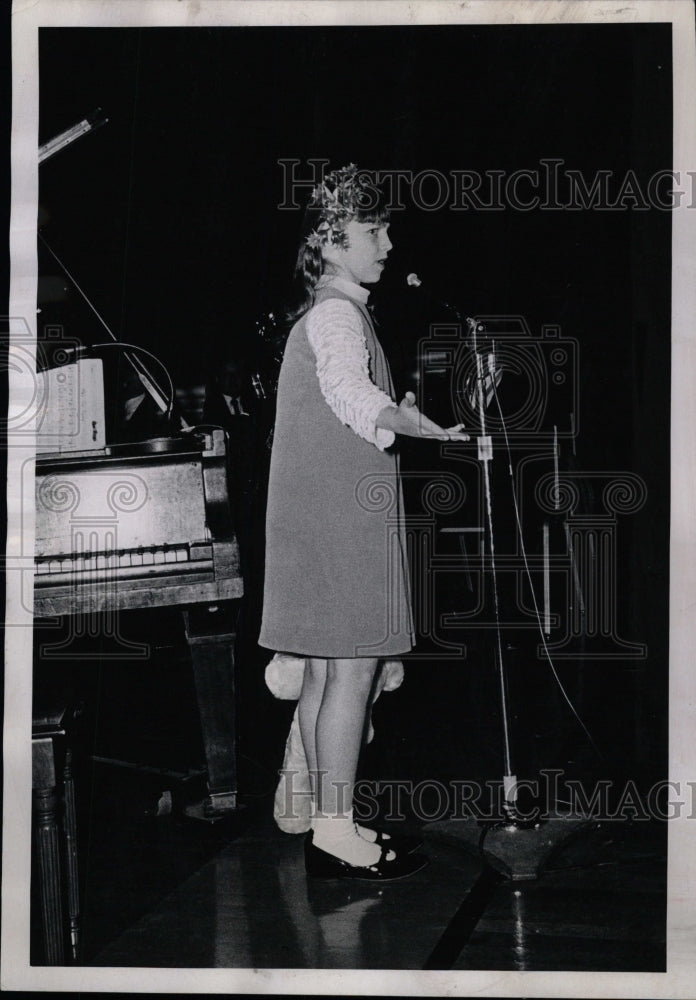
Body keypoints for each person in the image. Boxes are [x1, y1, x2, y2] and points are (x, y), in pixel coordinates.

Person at [259, 164, 469, 881]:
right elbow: (348, 391)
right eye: (371, 231)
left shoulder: (327, 312)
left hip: (314, 515)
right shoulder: (337, 314)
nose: (385, 242)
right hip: (339, 517)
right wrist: (397, 416)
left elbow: (336, 392)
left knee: (326, 675)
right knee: (352, 672)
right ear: (331, 238)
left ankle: (329, 822)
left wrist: (391, 411)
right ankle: (334, 832)